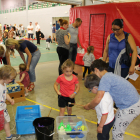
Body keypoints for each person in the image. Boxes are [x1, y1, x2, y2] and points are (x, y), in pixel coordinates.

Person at [84, 59, 140, 140]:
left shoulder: (104, 79)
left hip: (130, 106)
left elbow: (98, 99)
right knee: (116, 126)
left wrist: (88, 106)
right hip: (131, 103)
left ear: (96, 70)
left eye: (93, 73)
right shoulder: (109, 75)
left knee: (117, 133)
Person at [84, 74, 115, 140]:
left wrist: (100, 126)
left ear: (95, 88)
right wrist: (95, 107)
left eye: (90, 90)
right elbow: (106, 106)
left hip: (105, 123)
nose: (90, 92)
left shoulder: (102, 100)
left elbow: (104, 114)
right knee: (106, 135)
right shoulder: (105, 91)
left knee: (101, 137)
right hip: (111, 119)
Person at [0, 65, 20, 140]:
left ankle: (9, 136)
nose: (11, 81)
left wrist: (10, 99)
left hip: (3, 108)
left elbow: (5, 94)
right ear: (4, 77)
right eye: (11, 79)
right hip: (0, 110)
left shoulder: (4, 84)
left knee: (6, 121)